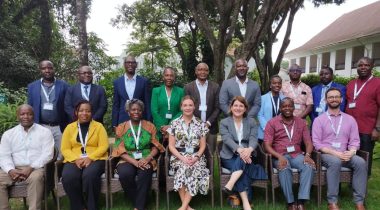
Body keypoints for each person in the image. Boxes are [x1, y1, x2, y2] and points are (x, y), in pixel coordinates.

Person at [312, 87, 367, 210]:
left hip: (345, 154)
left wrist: (352, 152)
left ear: (341, 99)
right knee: (335, 162)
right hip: (327, 154)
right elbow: (317, 143)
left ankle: (359, 202)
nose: (334, 99)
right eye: (330, 97)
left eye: (336, 96)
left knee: (360, 162)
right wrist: (335, 153)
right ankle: (332, 202)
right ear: (326, 100)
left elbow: (355, 141)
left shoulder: (350, 119)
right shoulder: (319, 120)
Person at [112, 99, 165, 210]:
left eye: (139, 110)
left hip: (146, 157)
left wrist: (147, 158)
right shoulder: (121, 127)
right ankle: (139, 202)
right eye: (133, 109)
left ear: (142, 112)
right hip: (127, 158)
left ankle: (138, 207)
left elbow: (156, 146)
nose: (136, 112)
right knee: (125, 174)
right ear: (128, 112)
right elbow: (119, 150)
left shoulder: (150, 126)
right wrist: (136, 163)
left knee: (144, 173)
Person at [264, 97, 316, 210]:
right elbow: (267, 145)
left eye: (290, 106)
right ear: (280, 108)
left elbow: (308, 142)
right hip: (279, 155)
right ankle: (290, 202)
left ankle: (301, 201)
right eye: (284, 106)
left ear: (293, 108)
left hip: (296, 155)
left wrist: (307, 155)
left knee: (309, 166)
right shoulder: (272, 122)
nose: (287, 108)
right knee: (284, 167)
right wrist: (279, 157)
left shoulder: (301, 122)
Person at [0, 104, 54, 210]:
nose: (26, 117)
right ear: (17, 116)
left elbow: (48, 154)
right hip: (14, 168)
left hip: (35, 168)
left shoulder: (44, 132)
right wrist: (10, 170)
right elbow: (3, 155)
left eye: (29, 114)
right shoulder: (8, 134)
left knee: (36, 178)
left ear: (34, 116)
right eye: (22, 114)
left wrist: (31, 167)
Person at [220, 96, 267, 210]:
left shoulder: (251, 121)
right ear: (231, 107)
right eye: (235, 105)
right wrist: (240, 150)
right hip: (229, 156)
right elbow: (227, 139)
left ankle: (230, 186)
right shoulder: (224, 122)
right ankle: (247, 202)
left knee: (241, 166)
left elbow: (253, 139)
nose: (238, 108)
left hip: (247, 153)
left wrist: (249, 150)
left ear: (245, 109)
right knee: (243, 167)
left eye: (241, 106)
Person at [61, 101, 109, 210]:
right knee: (69, 176)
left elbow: (103, 146)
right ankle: (79, 206)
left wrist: (90, 158)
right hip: (74, 158)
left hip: (96, 158)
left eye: (88, 111)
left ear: (92, 113)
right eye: (81, 110)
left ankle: (91, 206)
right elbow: (65, 148)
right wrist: (75, 159)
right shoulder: (69, 127)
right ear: (76, 112)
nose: (84, 113)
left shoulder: (99, 126)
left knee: (90, 175)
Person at [168, 95, 210, 210]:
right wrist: (183, 158)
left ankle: (183, 207)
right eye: (185, 105)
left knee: (193, 169)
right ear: (181, 107)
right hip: (179, 157)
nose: (188, 107)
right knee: (182, 169)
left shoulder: (201, 124)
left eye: (190, 105)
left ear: (194, 107)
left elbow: (203, 146)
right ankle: (187, 207)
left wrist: (196, 157)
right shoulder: (174, 123)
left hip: (197, 156)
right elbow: (171, 146)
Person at [345, 57, 380, 176]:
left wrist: (377, 128)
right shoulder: (351, 84)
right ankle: (350, 181)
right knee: (350, 156)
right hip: (349, 129)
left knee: (365, 156)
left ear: (372, 67)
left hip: (367, 129)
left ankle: (362, 184)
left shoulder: (377, 83)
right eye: (360, 65)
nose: (363, 67)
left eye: (366, 65)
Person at [27, 60, 69, 158]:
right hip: (41, 126)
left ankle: (58, 173)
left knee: (61, 155)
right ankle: (45, 173)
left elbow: (68, 106)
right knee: (42, 154)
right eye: (44, 68)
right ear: (40, 70)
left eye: (50, 68)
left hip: (59, 127)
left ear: (53, 69)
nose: (47, 70)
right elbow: (30, 107)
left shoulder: (64, 86)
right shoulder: (32, 87)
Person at [184, 62, 220, 152]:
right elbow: (186, 107)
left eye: (205, 70)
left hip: (211, 127)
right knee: (193, 152)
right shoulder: (188, 87)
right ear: (196, 71)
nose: (202, 72)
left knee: (210, 154)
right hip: (193, 126)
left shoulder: (215, 87)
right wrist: (196, 123)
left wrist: (208, 123)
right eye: (200, 70)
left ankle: (210, 166)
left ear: (208, 72)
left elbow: (218, 107)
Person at [112, 55, 151, 128]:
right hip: (122, 121)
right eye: (128, 62)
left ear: (136, 65)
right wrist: (114, 124)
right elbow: (116, 105)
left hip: (140, 120)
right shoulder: (117, 82)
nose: (130, 64)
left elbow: (147, 103)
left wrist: (149, 121)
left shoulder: (144, 82)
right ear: (124, 64)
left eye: (133, 62)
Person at [151, 67, 184, 142]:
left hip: (176, 129)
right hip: (159, 129)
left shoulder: (181, 91)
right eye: (167, 75)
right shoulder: (156, 91)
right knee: (159, 151)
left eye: (171, 75)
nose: (169, 78)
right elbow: (154, 111)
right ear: (163, 77)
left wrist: (171, 126)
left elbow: (181, 110)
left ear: (174, 77)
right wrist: (162, 127)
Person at [258, 75, 285, 142]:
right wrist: (267, 128)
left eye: (279, 83)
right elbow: (260, 115)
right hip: (265, 131)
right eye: (274, 83)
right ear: (270, 85)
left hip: (280, 132)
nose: (277, 85)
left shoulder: (284, 99)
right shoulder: (263, 98)